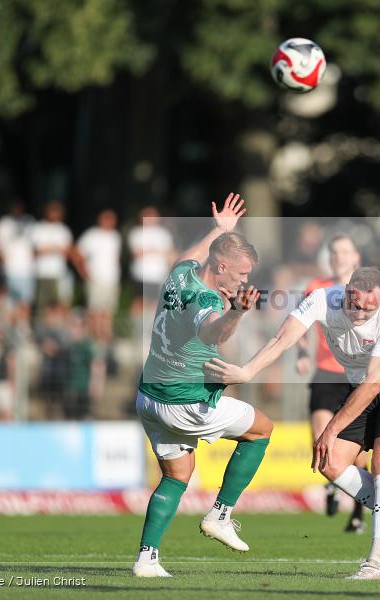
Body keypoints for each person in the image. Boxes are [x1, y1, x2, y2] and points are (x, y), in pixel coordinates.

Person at [205, 267, 380, 581]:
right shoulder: (322, 300)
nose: (362, 312)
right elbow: (282, 339)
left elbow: (375, 382)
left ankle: (378, 563)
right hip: (360, 385)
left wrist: (331, 429)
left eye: (371, 307)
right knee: (331, 463)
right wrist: (246, 372)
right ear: (345, 292)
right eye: (356, 304)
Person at [132, 193, 274, 578]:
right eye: (241, 273)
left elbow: (186, 258)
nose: (245, 280)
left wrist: (220, 229)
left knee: (177, 476)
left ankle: (147, 558)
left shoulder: (181, 274)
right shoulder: (206, 299)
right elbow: (213, 332)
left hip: (149, 395)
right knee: (261, 429)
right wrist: (237, 312)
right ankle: (221, 514)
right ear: (221, 265)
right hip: (183, 401)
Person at [295, 234, 368, 533]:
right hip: (326, 373)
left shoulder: (367, 289)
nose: (339, 256)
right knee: (320, 440)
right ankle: (332, 488)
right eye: (334, 251)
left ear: (356, 257)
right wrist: (302, 352)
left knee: (358, 454)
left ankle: (358, 514)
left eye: (345, 251)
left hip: (357, 376)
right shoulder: (316, 287)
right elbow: (299, 322)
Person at [77, 209, 122, 344]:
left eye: (112, 219)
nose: (109, 222)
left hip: (112, 279)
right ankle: (94, 337)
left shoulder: (115, 236)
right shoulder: (91, 235)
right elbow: (78, 254)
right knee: (95, 309)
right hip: (96, 278)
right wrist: (84, 273)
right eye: (106, 219)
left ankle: (105, 337)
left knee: (108, 310)